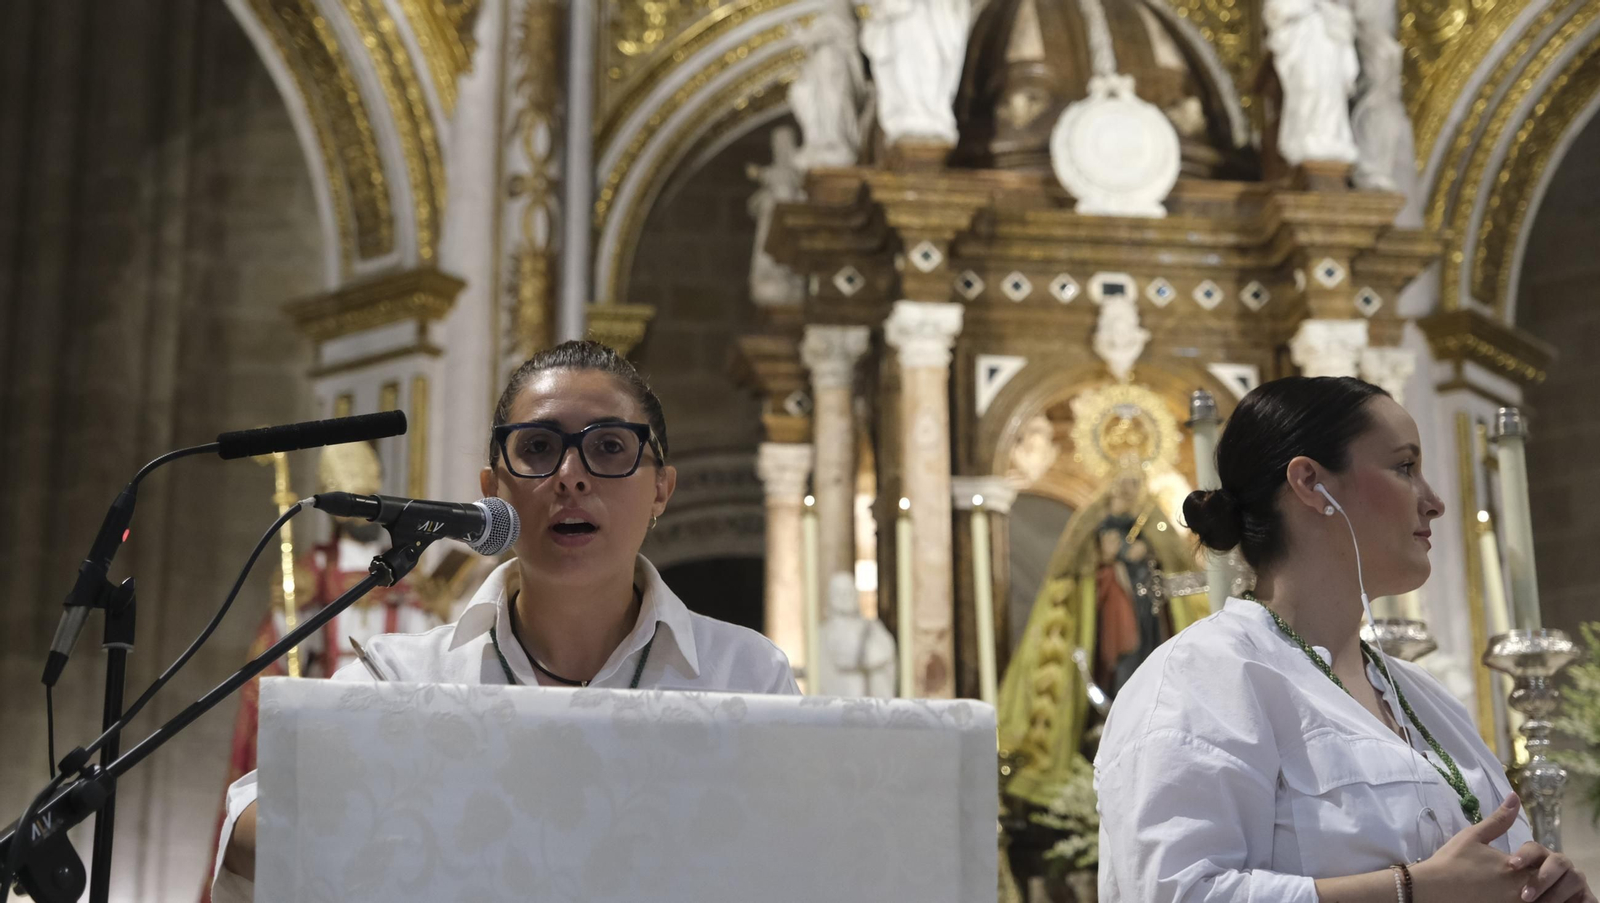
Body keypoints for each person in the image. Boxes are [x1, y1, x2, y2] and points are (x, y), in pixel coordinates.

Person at [210, 341, 798, 903]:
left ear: (661, 490)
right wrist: (417, 827)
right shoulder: (405, 679)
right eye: (539, 448)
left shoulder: (745, 676)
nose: (571, 475)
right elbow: (243, 830)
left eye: (611, 448)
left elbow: (804, 859)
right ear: (493, 490)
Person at [1095, 376, 1593, 903]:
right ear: (1311, 482)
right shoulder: (1200, 678)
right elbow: (1171, 893)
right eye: (1405, 467)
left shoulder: (1426, 698)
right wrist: (1409, 890)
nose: (1435, 502)